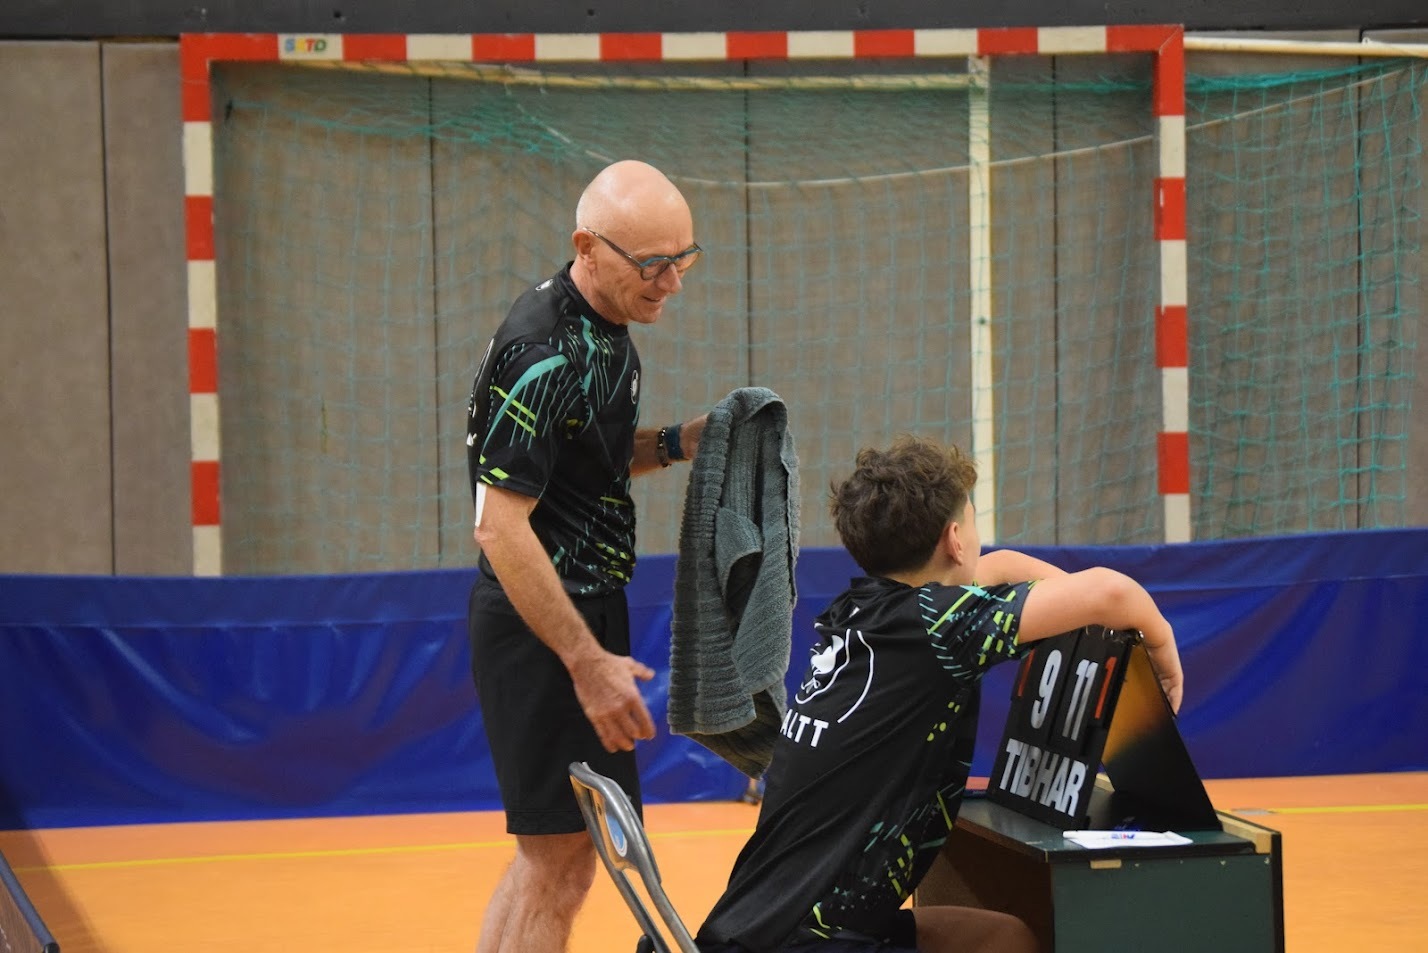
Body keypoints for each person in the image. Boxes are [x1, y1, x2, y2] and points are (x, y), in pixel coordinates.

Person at [696, 435, 1184, 953]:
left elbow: (1000, 565)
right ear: (955, 540)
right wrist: (1161, 648)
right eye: (972, 522)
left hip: (758, 924)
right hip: (809, 941)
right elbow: (1113, 592)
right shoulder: (937, 627)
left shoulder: (863, 612)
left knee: (1006, 939)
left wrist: (1071, 605)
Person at [465, 159, 708, 953]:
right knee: (559, 863)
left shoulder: (607, 331)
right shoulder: (541, 353)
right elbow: (501, 528)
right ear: (588, 247)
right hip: (541, 621)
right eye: (654, 263)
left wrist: (680, 442)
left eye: (684, 258)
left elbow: (585, 460)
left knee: (557, 858)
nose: (672, 282)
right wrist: (584, 660)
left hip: (583, 609)